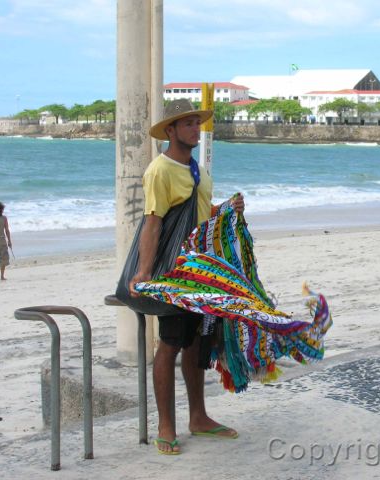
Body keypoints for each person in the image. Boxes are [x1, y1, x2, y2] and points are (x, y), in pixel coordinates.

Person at [128, 99, 245, 455]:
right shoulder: (160, 170)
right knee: (170, 343)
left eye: (197, 123)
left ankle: (199, 417)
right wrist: (144, 272)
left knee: (196, 344)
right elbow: (153, 221)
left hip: (199, 270)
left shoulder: (199, 171)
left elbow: (200, 216)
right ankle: (166, 425)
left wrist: (226, 209)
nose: (196, 129)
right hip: (173, 272)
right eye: (188, 124)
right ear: (171, 131)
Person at [0, 202, 13, 280]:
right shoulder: (4, 218)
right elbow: (7, 230)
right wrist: (9, 241)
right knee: (3, 259)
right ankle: (2, 276)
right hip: (1, 240)